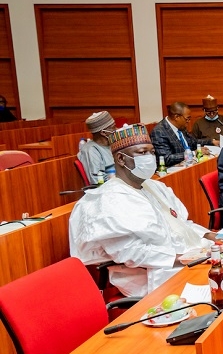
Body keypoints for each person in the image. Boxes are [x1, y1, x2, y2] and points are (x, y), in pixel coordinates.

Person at [69, 124, 215, 297]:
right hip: (151, 273)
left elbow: (181, 224)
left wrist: (209, 236)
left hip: (190, 257)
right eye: (142, 152)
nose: (150, 158)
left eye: (152, 152)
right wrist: (182, 256)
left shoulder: (154, 186)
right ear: (121, 159)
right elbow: (130, 252)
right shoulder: (109, 200)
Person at [151, 101, 212, 167]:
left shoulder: (180, 126)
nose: (188, 121)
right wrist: (193, 153)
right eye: (187, 119)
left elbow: (193, 142)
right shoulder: (159, 131)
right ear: (176, 117)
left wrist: (211, 142)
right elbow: (165, 158)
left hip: (190, 164)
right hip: (175, 171)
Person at [77, 111, 117, 185]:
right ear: (104, 133)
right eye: (113, 127)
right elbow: (97, 181)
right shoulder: (91, 151)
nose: (116, 130)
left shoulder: (111, 144)